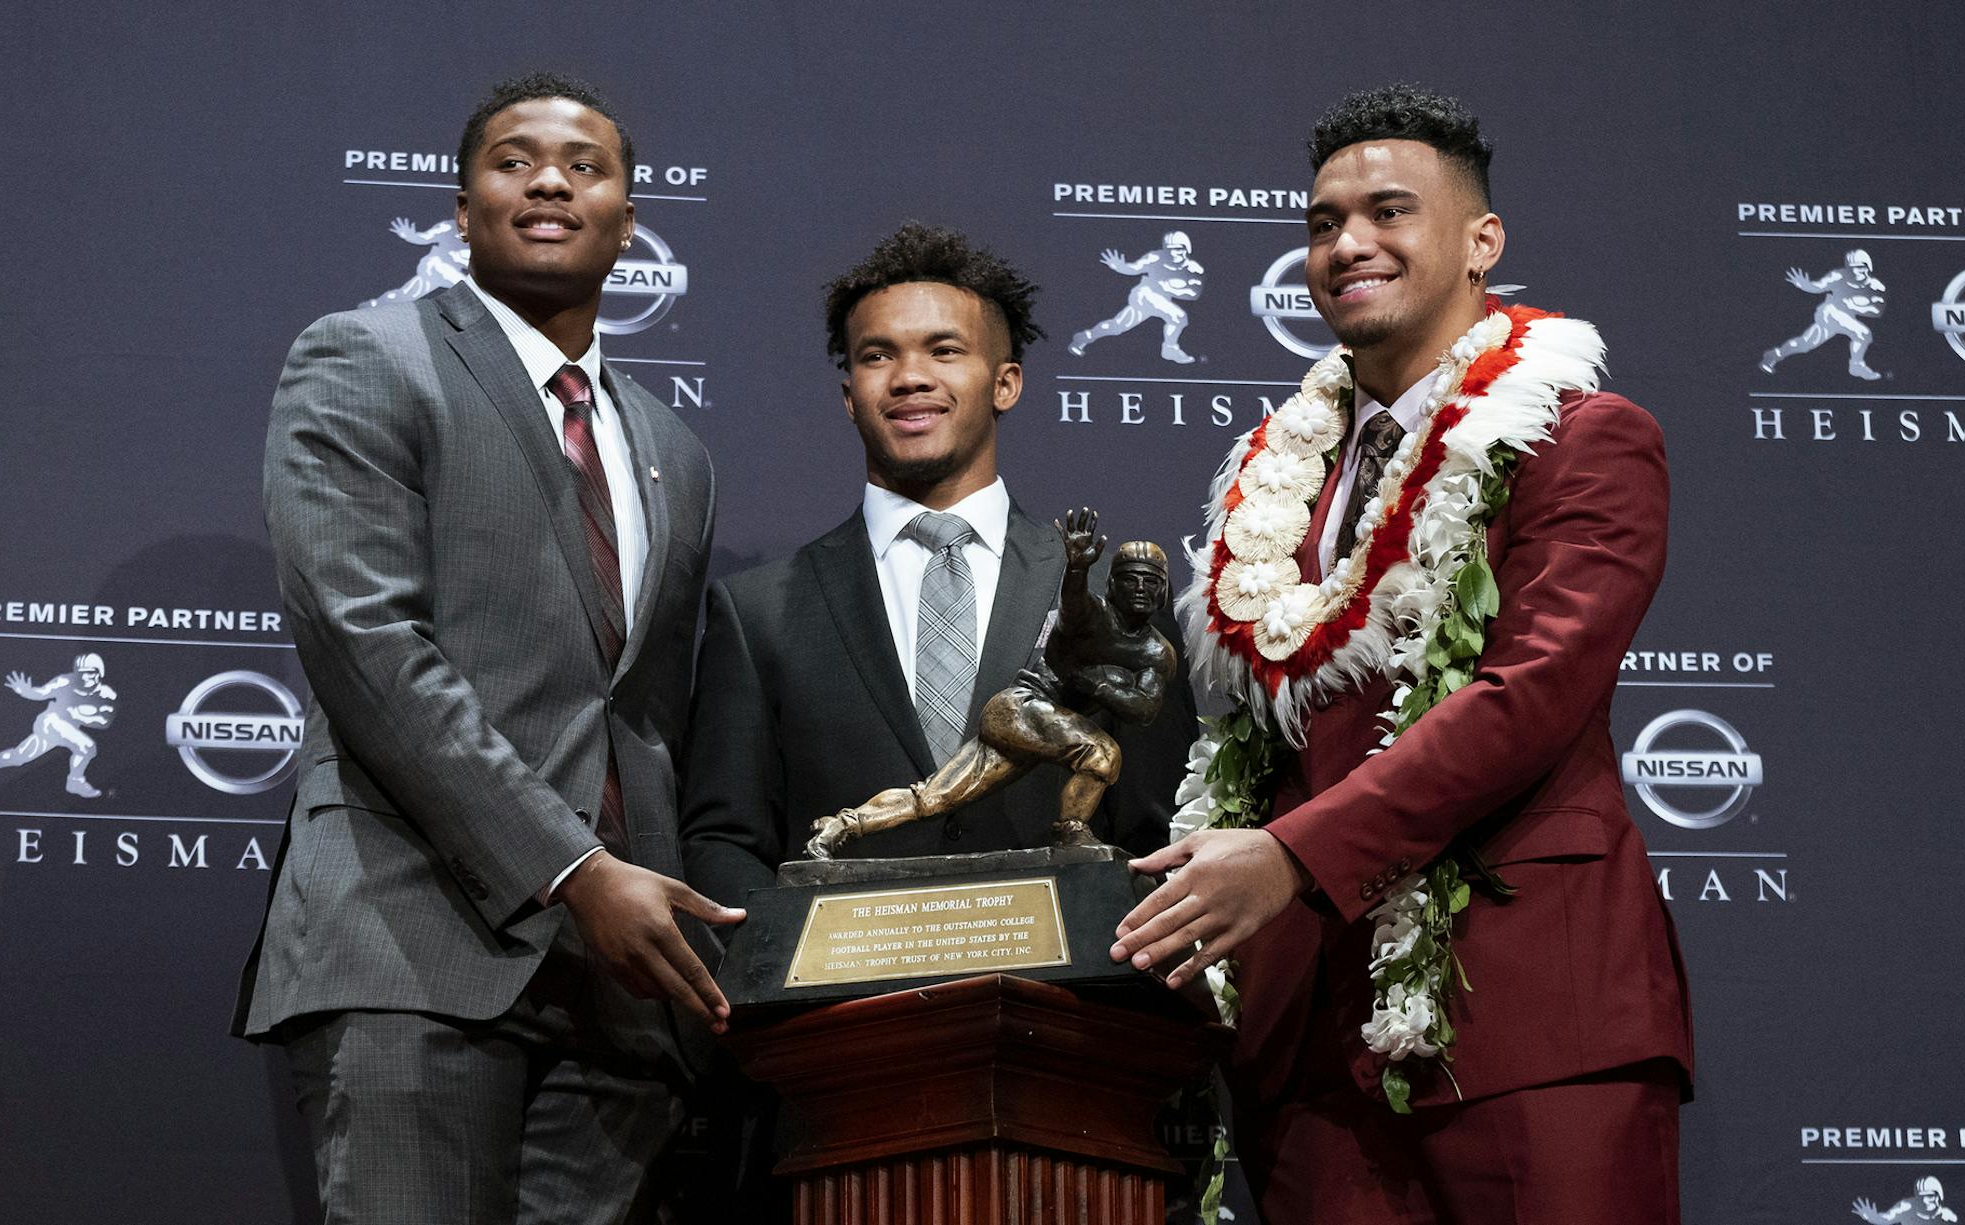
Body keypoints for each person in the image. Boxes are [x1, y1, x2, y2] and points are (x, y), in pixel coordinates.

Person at [1111, 85, 1693, 1224]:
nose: (1347, 245)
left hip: (1531, 1015)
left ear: (1484, 243)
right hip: (1308, 1054)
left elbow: (1526, 698)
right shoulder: (1274, 476)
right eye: (1323, 222)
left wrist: (1288, 856)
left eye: (1388, 211)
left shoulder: (1580, 437)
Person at [232, 72, 738, 1225]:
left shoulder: (674, 447)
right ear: (461, 209)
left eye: (585, 166)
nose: (550, 179)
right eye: (515, 161)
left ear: (628, 216)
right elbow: (367, 644)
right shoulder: (367, 358)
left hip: (622, 996)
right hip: (415, 947)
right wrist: (570, 869)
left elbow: (645, 717)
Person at [677, 222, 1196, 1220]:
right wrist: (803, 1007)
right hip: (835, 1108)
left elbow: (1160, 831)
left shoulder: (1110, 598)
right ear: (848, 393)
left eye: (942, 349)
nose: (908, 376)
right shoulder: (760, 608)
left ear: (1005, 382)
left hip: (1076, 1095)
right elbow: (725, 840)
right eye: (878, 356)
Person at [804, 511, 1177, 857]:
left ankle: (841, 826)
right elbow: (1073, 607)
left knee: (933, 797)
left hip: (1036, 734)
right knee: (1102, 753)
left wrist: (1097, 685)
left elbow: (1143, 708)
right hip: (1018, 708)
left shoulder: (1156, 652)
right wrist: (1077, 569)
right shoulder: (1092, 616)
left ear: (1162, 590)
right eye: (1131, 579)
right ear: (1111, 585)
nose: (1140, 589)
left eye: (1150, 581)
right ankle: (1070, 830)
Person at [0, 653, 116, 797]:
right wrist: (26, 691)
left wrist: (80, 716)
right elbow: (42, 693)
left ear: (99, 673)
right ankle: (75, 782)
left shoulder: (106, 694)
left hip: (65, 731)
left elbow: (104, 722)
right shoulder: (65, 681)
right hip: (51, 722)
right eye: (81, 672)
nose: (84, 677)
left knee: (18, 757)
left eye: (89, 672)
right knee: (87, 746)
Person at [1066, 231, 1204, 364]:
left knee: (1116, 326)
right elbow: (1134, 268)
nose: (1174, 253)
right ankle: (1170, 349)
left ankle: (1084, 338)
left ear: (1187, 249)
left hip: (1161, 300)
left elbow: (1193, 294)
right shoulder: (1155, 258)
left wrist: (1170, 289)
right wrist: (1120, 267)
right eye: (1170, 249)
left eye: (1179, 249)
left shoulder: (1193, 269)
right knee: (1178, 317)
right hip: (1145, 295)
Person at [1759, 249, 1886, 379]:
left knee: (1804, 344)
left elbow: (1877, 311)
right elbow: (1819, 286)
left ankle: (1775, 354)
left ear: (1868, 267)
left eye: (1859, 267)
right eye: (1852, 267)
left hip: (1845, 318)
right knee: (1863, 334)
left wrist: (1854, 306)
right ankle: (1856, 365)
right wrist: (1806, 285)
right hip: (1830, 312)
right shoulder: (1838, 276)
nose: (1855, 271)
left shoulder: (1875, 287)